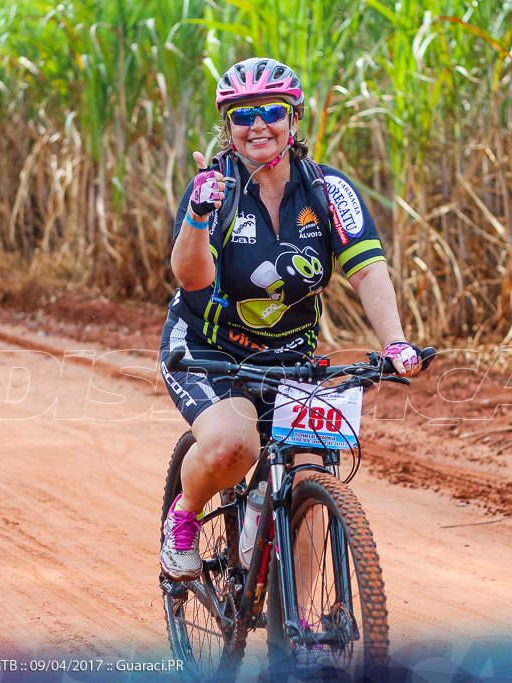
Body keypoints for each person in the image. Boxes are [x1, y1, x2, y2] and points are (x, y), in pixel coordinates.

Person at [158, 57, 423, 581]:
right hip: (211, 353)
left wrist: (395, 343)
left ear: (293, 118)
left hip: (291, 359)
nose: (257, 124)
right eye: (242, 115)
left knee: (310, 468)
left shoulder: (328, 190)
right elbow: (191, 278)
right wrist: (198, 214)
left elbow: (367, 270)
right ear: (228, 128)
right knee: (235, 444)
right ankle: (183, 518)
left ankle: (303, 641)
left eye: (270, 111)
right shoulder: (216, 189)